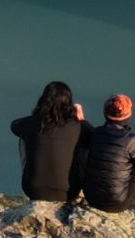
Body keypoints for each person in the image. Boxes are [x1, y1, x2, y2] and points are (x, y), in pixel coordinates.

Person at [71, 93, 135, 223]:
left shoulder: (95, 134)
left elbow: (86, 129)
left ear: (105, 113)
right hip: (117, 204)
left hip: (91, 198)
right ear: (128, 115)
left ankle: (80, 192)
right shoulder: (130, 140)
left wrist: (81, 120)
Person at [9, 80, 84, 217]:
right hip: (68, 191)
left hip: (34, 189)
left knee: (25, 137)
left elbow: (14, 126)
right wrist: (80, 119)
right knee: (83, 145)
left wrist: (37, 115)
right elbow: (94, 138)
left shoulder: (31, 123)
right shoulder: (78, 127)